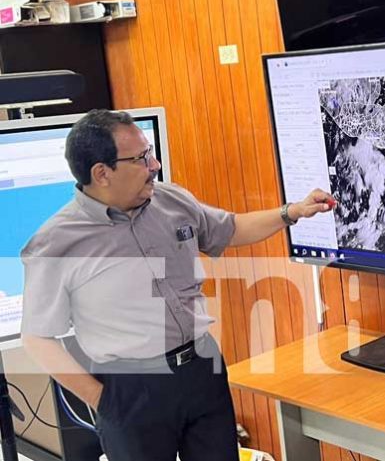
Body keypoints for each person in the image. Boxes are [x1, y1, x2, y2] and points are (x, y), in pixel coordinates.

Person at [20, 109, 336, 461]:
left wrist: (292, 212)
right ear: (101, 173)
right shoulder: (56, 243)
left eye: (150, 152)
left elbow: (231, 229)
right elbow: (36, 337)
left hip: (201, 369)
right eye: (141, 158)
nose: (154, 164)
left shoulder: (172, 201)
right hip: (131, 387)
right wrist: (100, 400)